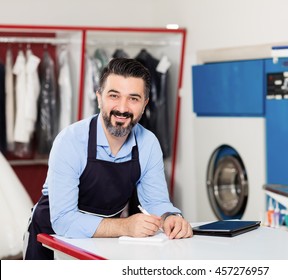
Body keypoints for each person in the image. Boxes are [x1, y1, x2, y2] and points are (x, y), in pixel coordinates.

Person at [24, 58, 193, 260]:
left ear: (145, 104)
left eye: (133, 98)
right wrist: (125, 226)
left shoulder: (148, 143)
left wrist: (171, 217)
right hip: (49, 237)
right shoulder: (70, 141)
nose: (122, 108)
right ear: (99, 97)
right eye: (114, 96)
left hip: (101, 241)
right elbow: (64, 220)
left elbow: (156, 201)